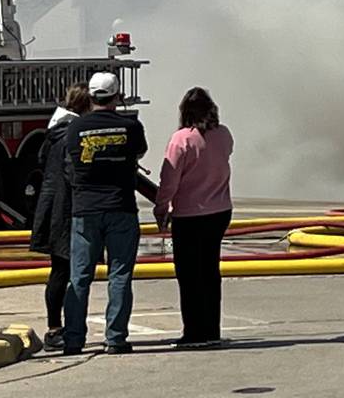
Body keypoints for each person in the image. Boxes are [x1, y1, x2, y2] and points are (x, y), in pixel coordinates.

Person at [62, 71, 147, 356]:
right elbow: (139, 154)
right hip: (121, 208)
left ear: (91, 95)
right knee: (120, 275)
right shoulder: (131, 127)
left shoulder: (74, 128)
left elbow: (70, 165)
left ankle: (73, 340)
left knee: (79, 278)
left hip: (85, 210)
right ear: (117, 95)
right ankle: (116, 338)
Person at [155, 88, 234, 349]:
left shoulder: (181, 140)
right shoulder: (223, 135)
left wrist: (161, 207)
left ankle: (194, 332)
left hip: (190, 214)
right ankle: (212, 328)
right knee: (210, 271)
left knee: (189, 275)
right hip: (220, 211)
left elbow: (170, 179)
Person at [29, 84, 92, 352]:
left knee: (59, 268)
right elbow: (72, 172)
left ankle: (55, 326)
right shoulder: (72, 135)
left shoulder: (54, 131)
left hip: (50, 206)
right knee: (65, 270)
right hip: (66, 208)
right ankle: (58, 329)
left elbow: (43, 162)